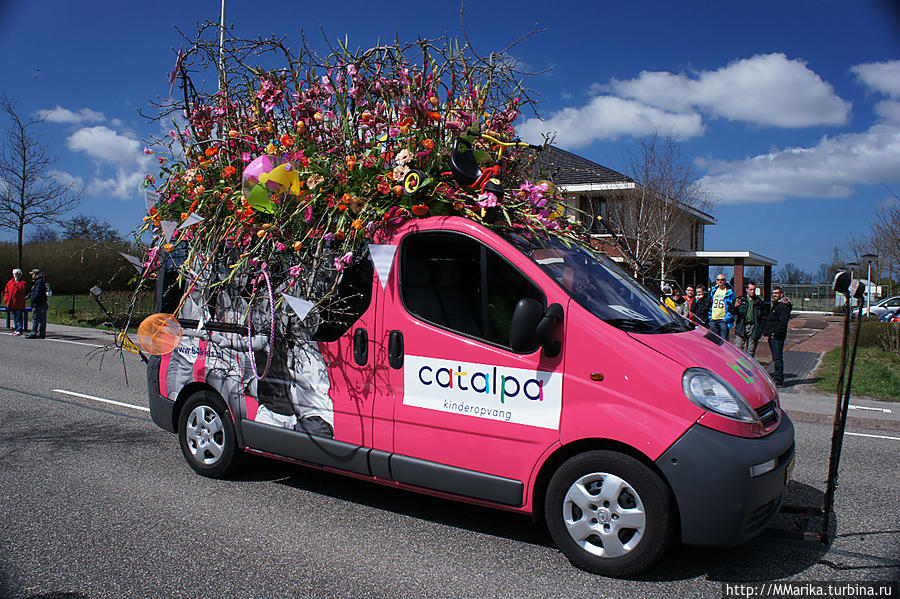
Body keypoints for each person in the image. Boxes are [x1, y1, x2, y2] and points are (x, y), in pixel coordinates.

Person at [762, 286, 792, 387]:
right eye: (773, 293)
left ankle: (779, 380)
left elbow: (782, 323)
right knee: (776, 358)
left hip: (777, 337)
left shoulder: (783, 307)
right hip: (773, 336)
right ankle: (777, 378)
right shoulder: (776, 305)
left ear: (781, 294)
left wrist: (774, 333)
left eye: (776, 293)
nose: (774, 295)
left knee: (777, 358)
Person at [734, 282, 766, 357]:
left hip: (753, 327)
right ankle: (738, 367)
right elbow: (731, 311)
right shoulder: (741, 299)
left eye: (754, 289)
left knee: (751, 350)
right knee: (738, 348)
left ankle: (749, 366)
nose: (752, 291)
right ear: (747, 289)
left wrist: (760, 329)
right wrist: (735, 306)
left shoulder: (759, 302)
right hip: (742, 326)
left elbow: (763, 316)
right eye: (751, 289)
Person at [708, 274, 736, 341]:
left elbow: (733, 306)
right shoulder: (713, 291)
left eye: (722, 280)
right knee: (714, 342)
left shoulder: (729, 292)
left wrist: (727, 318)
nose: (720, 281)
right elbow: (711, 304)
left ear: (725, 281)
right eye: (718, 280)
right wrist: (710, 316)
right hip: (713, 319)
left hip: (723, 320)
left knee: (724, 342)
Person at [3, 268, 27, 335]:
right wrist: (6, 299)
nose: (17, 276)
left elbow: (22, 289)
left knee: (19, 317)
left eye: (18, 274)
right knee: (14, 317)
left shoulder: (23, 283)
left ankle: (19, 329)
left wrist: (16, 283)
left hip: (19, 304)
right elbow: (6, 292)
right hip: (11, 304)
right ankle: (16, 329)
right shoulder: (10, 283)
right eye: (15, 274)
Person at [27, 269, 48, 339]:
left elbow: (37, 293)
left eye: (32, 274)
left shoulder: (39, 282)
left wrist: (33, 300)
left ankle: (33, 333)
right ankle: (41, 333)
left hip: (38, 303)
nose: (32, 276)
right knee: (42, 319)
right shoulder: (40, 281)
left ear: (36, 274)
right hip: (42, 303)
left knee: (35, 318)